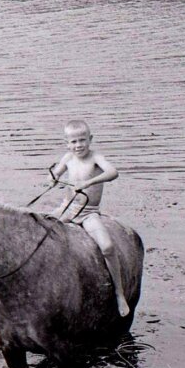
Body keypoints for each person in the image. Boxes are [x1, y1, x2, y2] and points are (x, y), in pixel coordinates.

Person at [50, 119, 130, 317]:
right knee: (41, 234)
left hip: (88, 212)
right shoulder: (68, 157)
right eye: (74, 142)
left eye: (82, 140)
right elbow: (56, 172)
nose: (78, 145)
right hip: (67, 209)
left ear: (90, 139)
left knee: (107, 247)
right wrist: (52, 177)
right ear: (67, 143)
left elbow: (113, 172)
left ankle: (119, 294)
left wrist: (88, 183)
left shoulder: (96, 157)